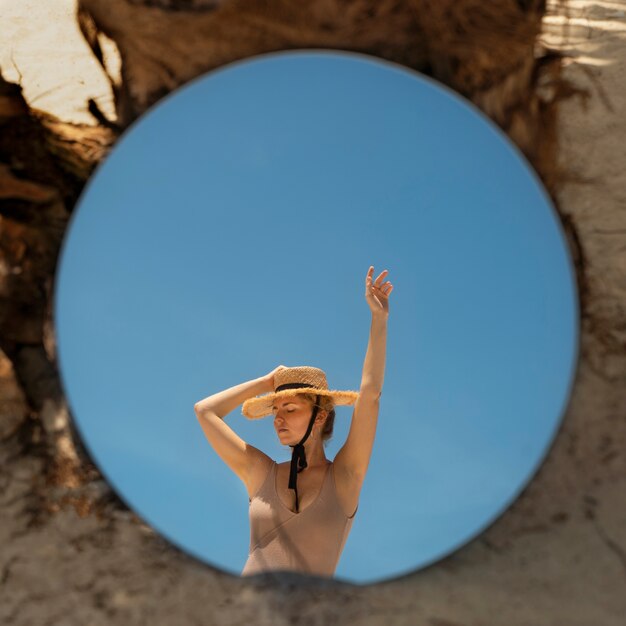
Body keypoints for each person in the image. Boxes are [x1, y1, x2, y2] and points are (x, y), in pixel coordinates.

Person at [194, 265, 393, 577]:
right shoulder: (262, 473)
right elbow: (205, 411)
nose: (278, 419)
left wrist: (379, 319)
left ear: (320, 416)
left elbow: (370, 396)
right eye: (275, 411)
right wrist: (266, 382)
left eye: (290, 409)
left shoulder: (344, 476)